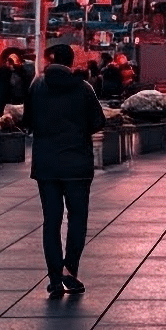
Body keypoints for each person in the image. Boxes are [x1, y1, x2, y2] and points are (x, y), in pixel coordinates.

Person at [23, 44, 106, 298]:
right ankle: (70, 271)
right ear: (71, 63)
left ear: (50, 61)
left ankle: (54, 278)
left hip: (46, 164)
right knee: (77, 219)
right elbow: (98, 122)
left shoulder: (37, 86)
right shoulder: (83, 88)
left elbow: (27, 122)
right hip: (77, 164)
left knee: (52, 221)